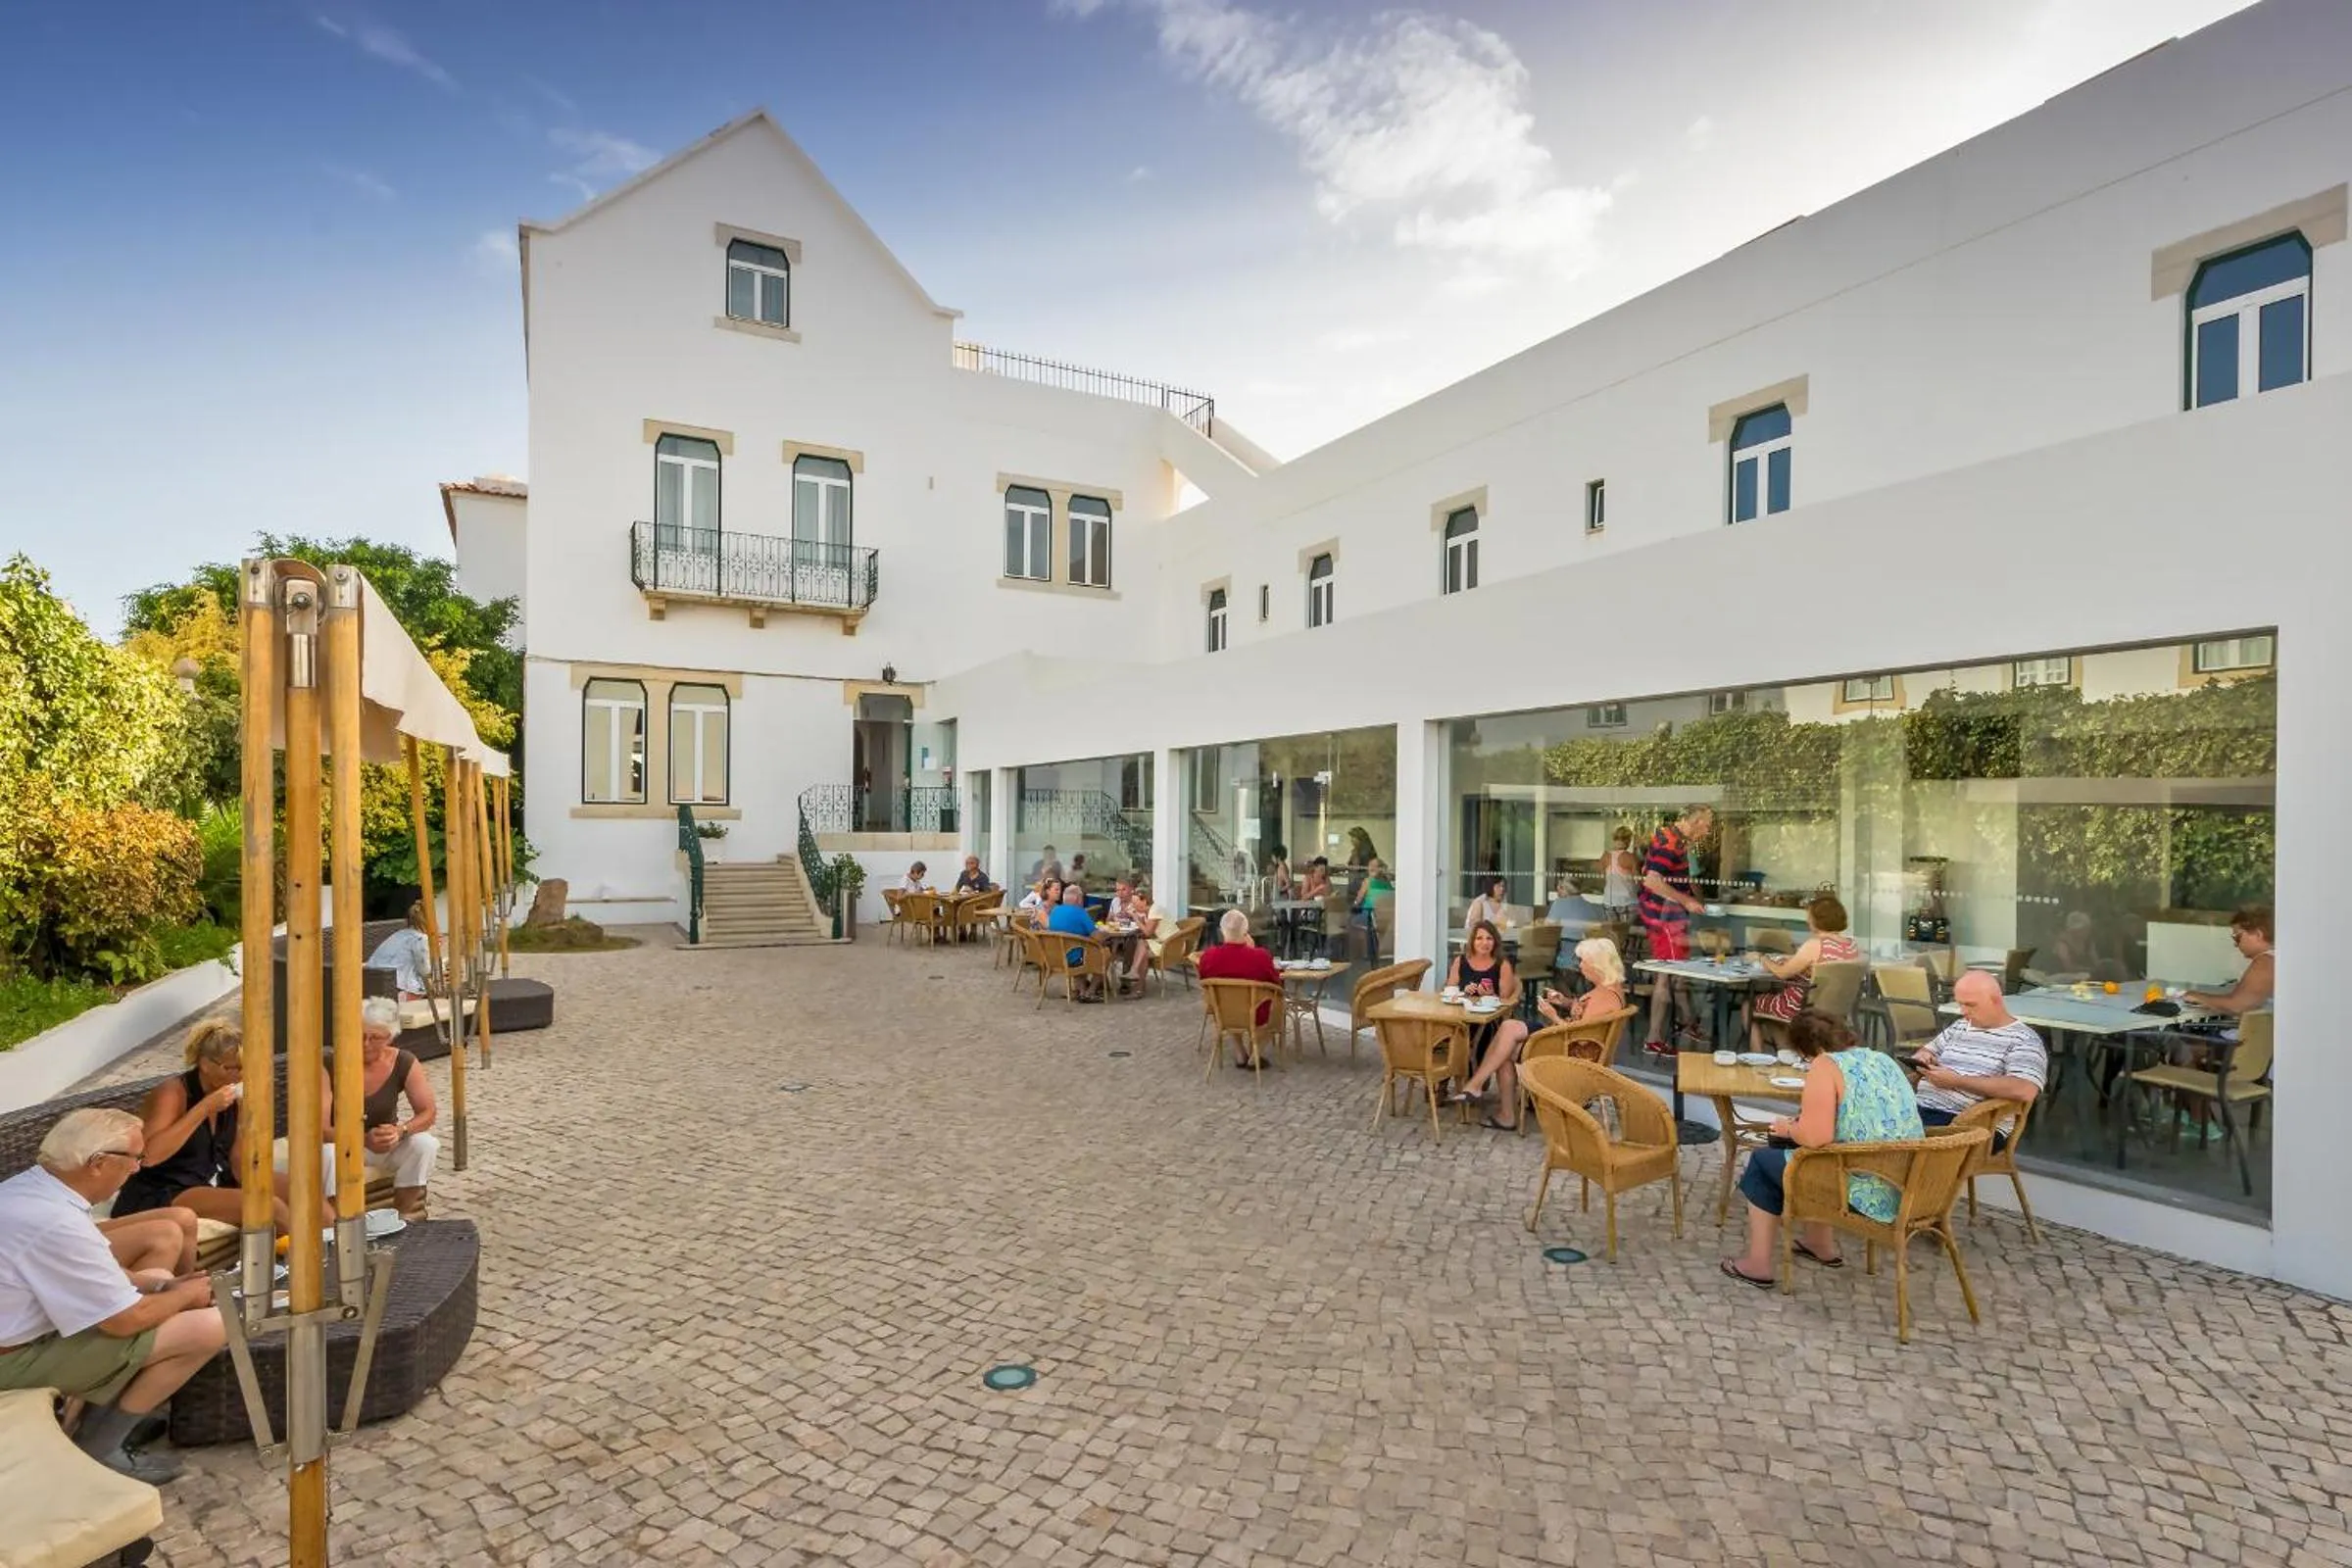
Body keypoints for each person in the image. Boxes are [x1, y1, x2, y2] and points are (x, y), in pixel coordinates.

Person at [0, 1107, 227, 1482]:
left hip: (25, 1336)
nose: (138, 1168)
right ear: (98, 1163)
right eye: (134, 1159)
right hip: (13, 1362)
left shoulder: (33, 1189)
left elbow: (91, 1271)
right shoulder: (56, 1222)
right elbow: (124, 1322)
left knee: (156, 1278)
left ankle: (111, 1413)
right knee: (209, 1326)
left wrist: (162, 1286)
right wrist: (185, 1297)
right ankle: (98, 1450)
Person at [1721, 1010, 1924, 1287]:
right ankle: (1819, 1244)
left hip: (1863, 1187)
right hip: (1904, 1181)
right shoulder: (1883, 1059)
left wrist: (1787, 1128)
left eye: (1804, 1056)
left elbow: (1816, 1137)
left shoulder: (1826, 1065)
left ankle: (1758, 1265)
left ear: (1811, 1048)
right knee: (1800, 1156)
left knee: (1762, 1162)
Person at [114, 1019, 328, 1237]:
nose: (241, 1075)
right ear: (206, 1064)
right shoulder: (173, 1093)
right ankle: (311, 1261)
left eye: (246, 1068)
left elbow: (239, 1165)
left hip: (214, 1182)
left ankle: (337, 1248)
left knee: (302, 1189)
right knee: (269, 1207)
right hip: (165, 1190)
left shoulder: (231, 1094)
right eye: (233, 1068)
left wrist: (246, 1117)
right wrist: (203, 1109)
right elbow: (147, 1156)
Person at [1452, 937, 1626, 1130]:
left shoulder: (1606, 998)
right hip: (1561, 1040)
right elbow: (1587, 1019)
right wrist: (1566, 1002)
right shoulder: (1609, 989)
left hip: (1567, 1051)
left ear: (1597, 964)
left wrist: (1553, 1016)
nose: (1580, 966)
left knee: (1505, 1048)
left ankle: (1500, 1109)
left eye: (1583, 961)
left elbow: (1580, 1039)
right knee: (1508, 1028)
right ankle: (1478, 1086)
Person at [1912, 972, 2047, 1131]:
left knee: (1886, 1140)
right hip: (1919, 1109)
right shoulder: (1961, 1026)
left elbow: (2025, 1089)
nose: (1963, 1011)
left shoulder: (2023, 1039)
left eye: (1970, 1005)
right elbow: (1928, 1050)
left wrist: (1958, 1081)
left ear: (1996, 1000)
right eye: (1960, 1004)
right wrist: (1924, 1056)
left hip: (1968, 1123)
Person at [348, 998, 440, 1219]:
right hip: (343, 1143)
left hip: (383, 1142)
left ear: (390, 1037)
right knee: (331, 1154)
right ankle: (336, 1225)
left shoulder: (403, 1061)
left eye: (375, 1038)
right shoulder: (336, 1061)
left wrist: (400, 1131)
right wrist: (361, 1138)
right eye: (360, 1036)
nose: (365, 1044)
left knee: (425, 1144)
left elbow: (428, 1112)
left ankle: (402, 1217)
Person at [1639, 804, 1715, 1054]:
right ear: (1694, 822)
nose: (1708, 831)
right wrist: (1687, 900)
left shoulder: (1676, 840)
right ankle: (1653, 1038)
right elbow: (1652, 880)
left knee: (1677, 973)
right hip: (1664, 917)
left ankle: (1687, 1022)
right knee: (1665, 975)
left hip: (1671, 916)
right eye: (1706, 825)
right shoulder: (1669, 842)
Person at [1745, 895, 1862, 1052]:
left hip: (1802, 1006)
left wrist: (1763, 958)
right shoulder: (1850, 945)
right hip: (1833, 1007)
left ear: (1818, 919)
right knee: (1772, 1017)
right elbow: (1816, 964)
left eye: (1809, 916)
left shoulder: (1815, 944)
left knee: (1749, 1005)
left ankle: (1758, 1058)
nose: (1807, 921)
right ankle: (1787, 1055)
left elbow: (1782, 973)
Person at [1437, 921, 1524, 1130]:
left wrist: (1487, 994)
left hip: (1490, 1020)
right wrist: (1465, 991)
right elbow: (1450, 987)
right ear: (1472, 941)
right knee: (1446, 1033)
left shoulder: (1501, 963)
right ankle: (1444, 1078)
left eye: (1488, 938)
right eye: (1479, 938)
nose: (1484, 943)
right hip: (1460, 1016)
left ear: (1495, 942)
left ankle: (1468, 1081)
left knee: (1472, 1036)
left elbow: (1505, 996)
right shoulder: (1461, 961)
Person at [2182, 904, 2275, 1018]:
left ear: (2258, 934)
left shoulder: (2266, 961)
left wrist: (2196, 997)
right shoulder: (2277, 959)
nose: (2235, 944)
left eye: (2237, 937)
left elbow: (2237, 1006)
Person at [1198, 907, 1281, 1033]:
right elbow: (1276, 982)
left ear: (1222, 931)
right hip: (1256, 1015)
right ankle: (1256, 1048)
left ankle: (1243, 1050)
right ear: (1246, 932)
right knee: (1280, 1001)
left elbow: (1204, 981)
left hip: (1223, 1014)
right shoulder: (1261, 956)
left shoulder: (1208, 957)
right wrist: (1253, 950)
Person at [366, 901, 435, 1002]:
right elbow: (425, 971)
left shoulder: (400, 934)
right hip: (395, 991)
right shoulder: (420, 938)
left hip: (371, 985)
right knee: (431, 987)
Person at [1047, 883, 1103, 1001]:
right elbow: (1097, 936)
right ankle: (1091, 991)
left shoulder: (1055, 911)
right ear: (1078, 899)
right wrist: (1106, 934)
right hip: (1074, 958)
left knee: (1078, 948)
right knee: (1104, 954)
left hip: (1055, 957)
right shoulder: (1080, 913)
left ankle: (1081, 990)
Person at [1355, 858, 1394, 963]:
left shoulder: (1368, 882)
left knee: (1351, 920)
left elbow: (1358, 900)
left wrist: (1353, 904)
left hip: (1370, 915)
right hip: (1387, 919)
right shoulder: (1388, 883)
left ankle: (1363, 952)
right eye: (1370, 865)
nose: (1371, 867)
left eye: (1374, 865)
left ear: (1380, 869)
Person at [1601, 827, 1642, 922]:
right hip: (1628, 900)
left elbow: (1601, 877)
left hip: (1609, 900)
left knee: (1613, 933)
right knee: (1626, 932)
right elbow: (1638, 880)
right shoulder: (1630, 857)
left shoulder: (1605, 856)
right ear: (1628, 840)